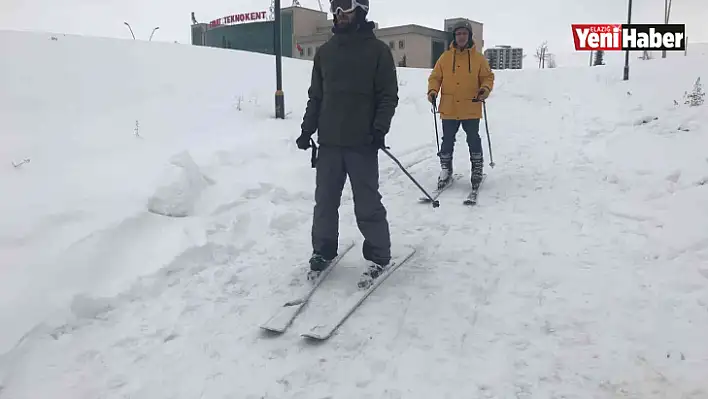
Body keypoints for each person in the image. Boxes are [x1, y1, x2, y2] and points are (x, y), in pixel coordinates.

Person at [295, 0, 399, 283]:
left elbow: (388, 96)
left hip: (362, 143)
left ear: (361, 10)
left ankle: (378, 254)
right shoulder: (326, 53)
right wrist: (307, 130)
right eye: (336, 8)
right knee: (325, 202)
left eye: (346, 7)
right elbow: (316, 96)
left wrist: (379, 129)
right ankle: (323, 250)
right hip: (329, 142)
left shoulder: (378, 51)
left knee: (366, 203)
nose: (339, 14)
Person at [427, 21, 495, 191]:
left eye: (464, 33)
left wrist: (484, 89)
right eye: (458, 34)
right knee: (447, 140)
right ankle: (446, 169)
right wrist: (433, 91)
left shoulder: (478, 58)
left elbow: (488, 77)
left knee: (473, 139)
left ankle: (477, 169)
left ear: (469, 36)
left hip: (471, 105)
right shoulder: (445, 57)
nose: (461, 36)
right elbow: (435, 77)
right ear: (454, 36)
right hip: (449, 107)